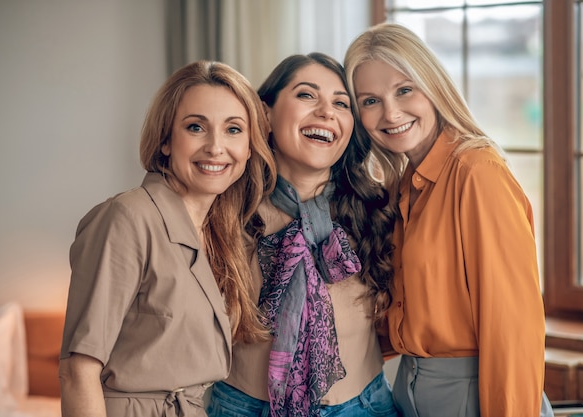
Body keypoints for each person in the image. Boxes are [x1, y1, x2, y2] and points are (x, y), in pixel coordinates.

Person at [344, 23, 554, 417]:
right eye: (370, 101)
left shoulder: (477, 171)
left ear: (433, 86)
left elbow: (513, 329)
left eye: (405, 90)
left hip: (475, 395)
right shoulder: (406, 185)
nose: (391, 113)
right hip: (408, 388)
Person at [58, 60, 277, 417]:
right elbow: (77, 371)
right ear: (164, 140)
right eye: (196, 127)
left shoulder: (221, 235)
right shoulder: (128, 218)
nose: (216, 147)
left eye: (234, 130)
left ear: (250, 147)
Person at [206, 53, 398, 417]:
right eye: (307, 95)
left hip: (365, 407)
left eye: (341, 103)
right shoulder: (223, 209)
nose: (327, 112)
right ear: (265, 114)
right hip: (243, 408)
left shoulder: (377, 208)